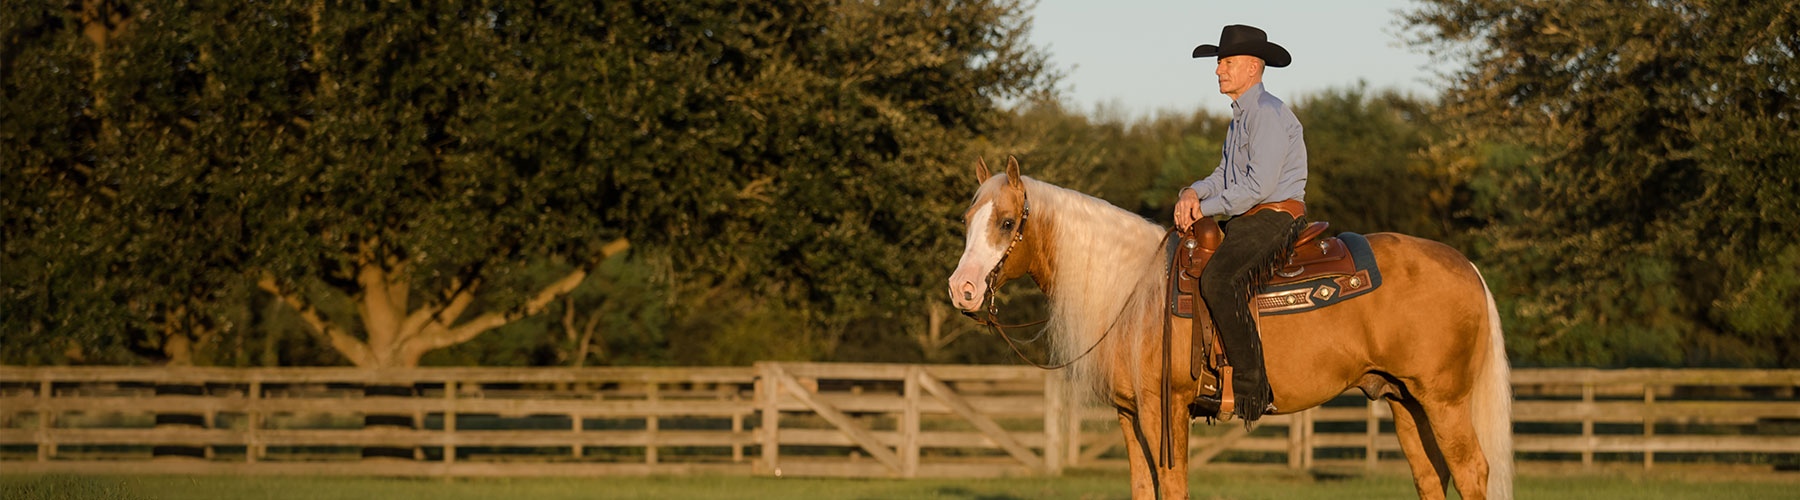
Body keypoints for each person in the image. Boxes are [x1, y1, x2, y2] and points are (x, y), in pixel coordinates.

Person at [1172, 24, 1308, 424]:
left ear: (1252, 67)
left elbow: (1256, 186)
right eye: (1218, 63)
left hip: (1273, 215)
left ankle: (1252, 388)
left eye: (1226, 62)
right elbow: (1224, 174)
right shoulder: (1241, 117)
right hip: (1251, 214)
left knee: (1218, 280)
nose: (1218, 70)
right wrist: (1192, 192)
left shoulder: (1266, 114)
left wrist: (1204, 209)